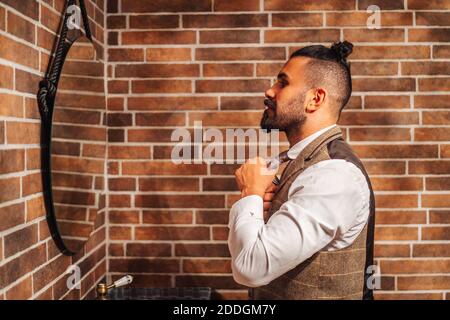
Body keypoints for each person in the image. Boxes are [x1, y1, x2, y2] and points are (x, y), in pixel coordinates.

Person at [229, 41, 376, 300]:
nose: (269, 91)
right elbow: (250, 251)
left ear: (315, 99)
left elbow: (250, 267)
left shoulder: (333, 175)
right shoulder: (296, 163)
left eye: (282, 83)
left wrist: (250, 192)